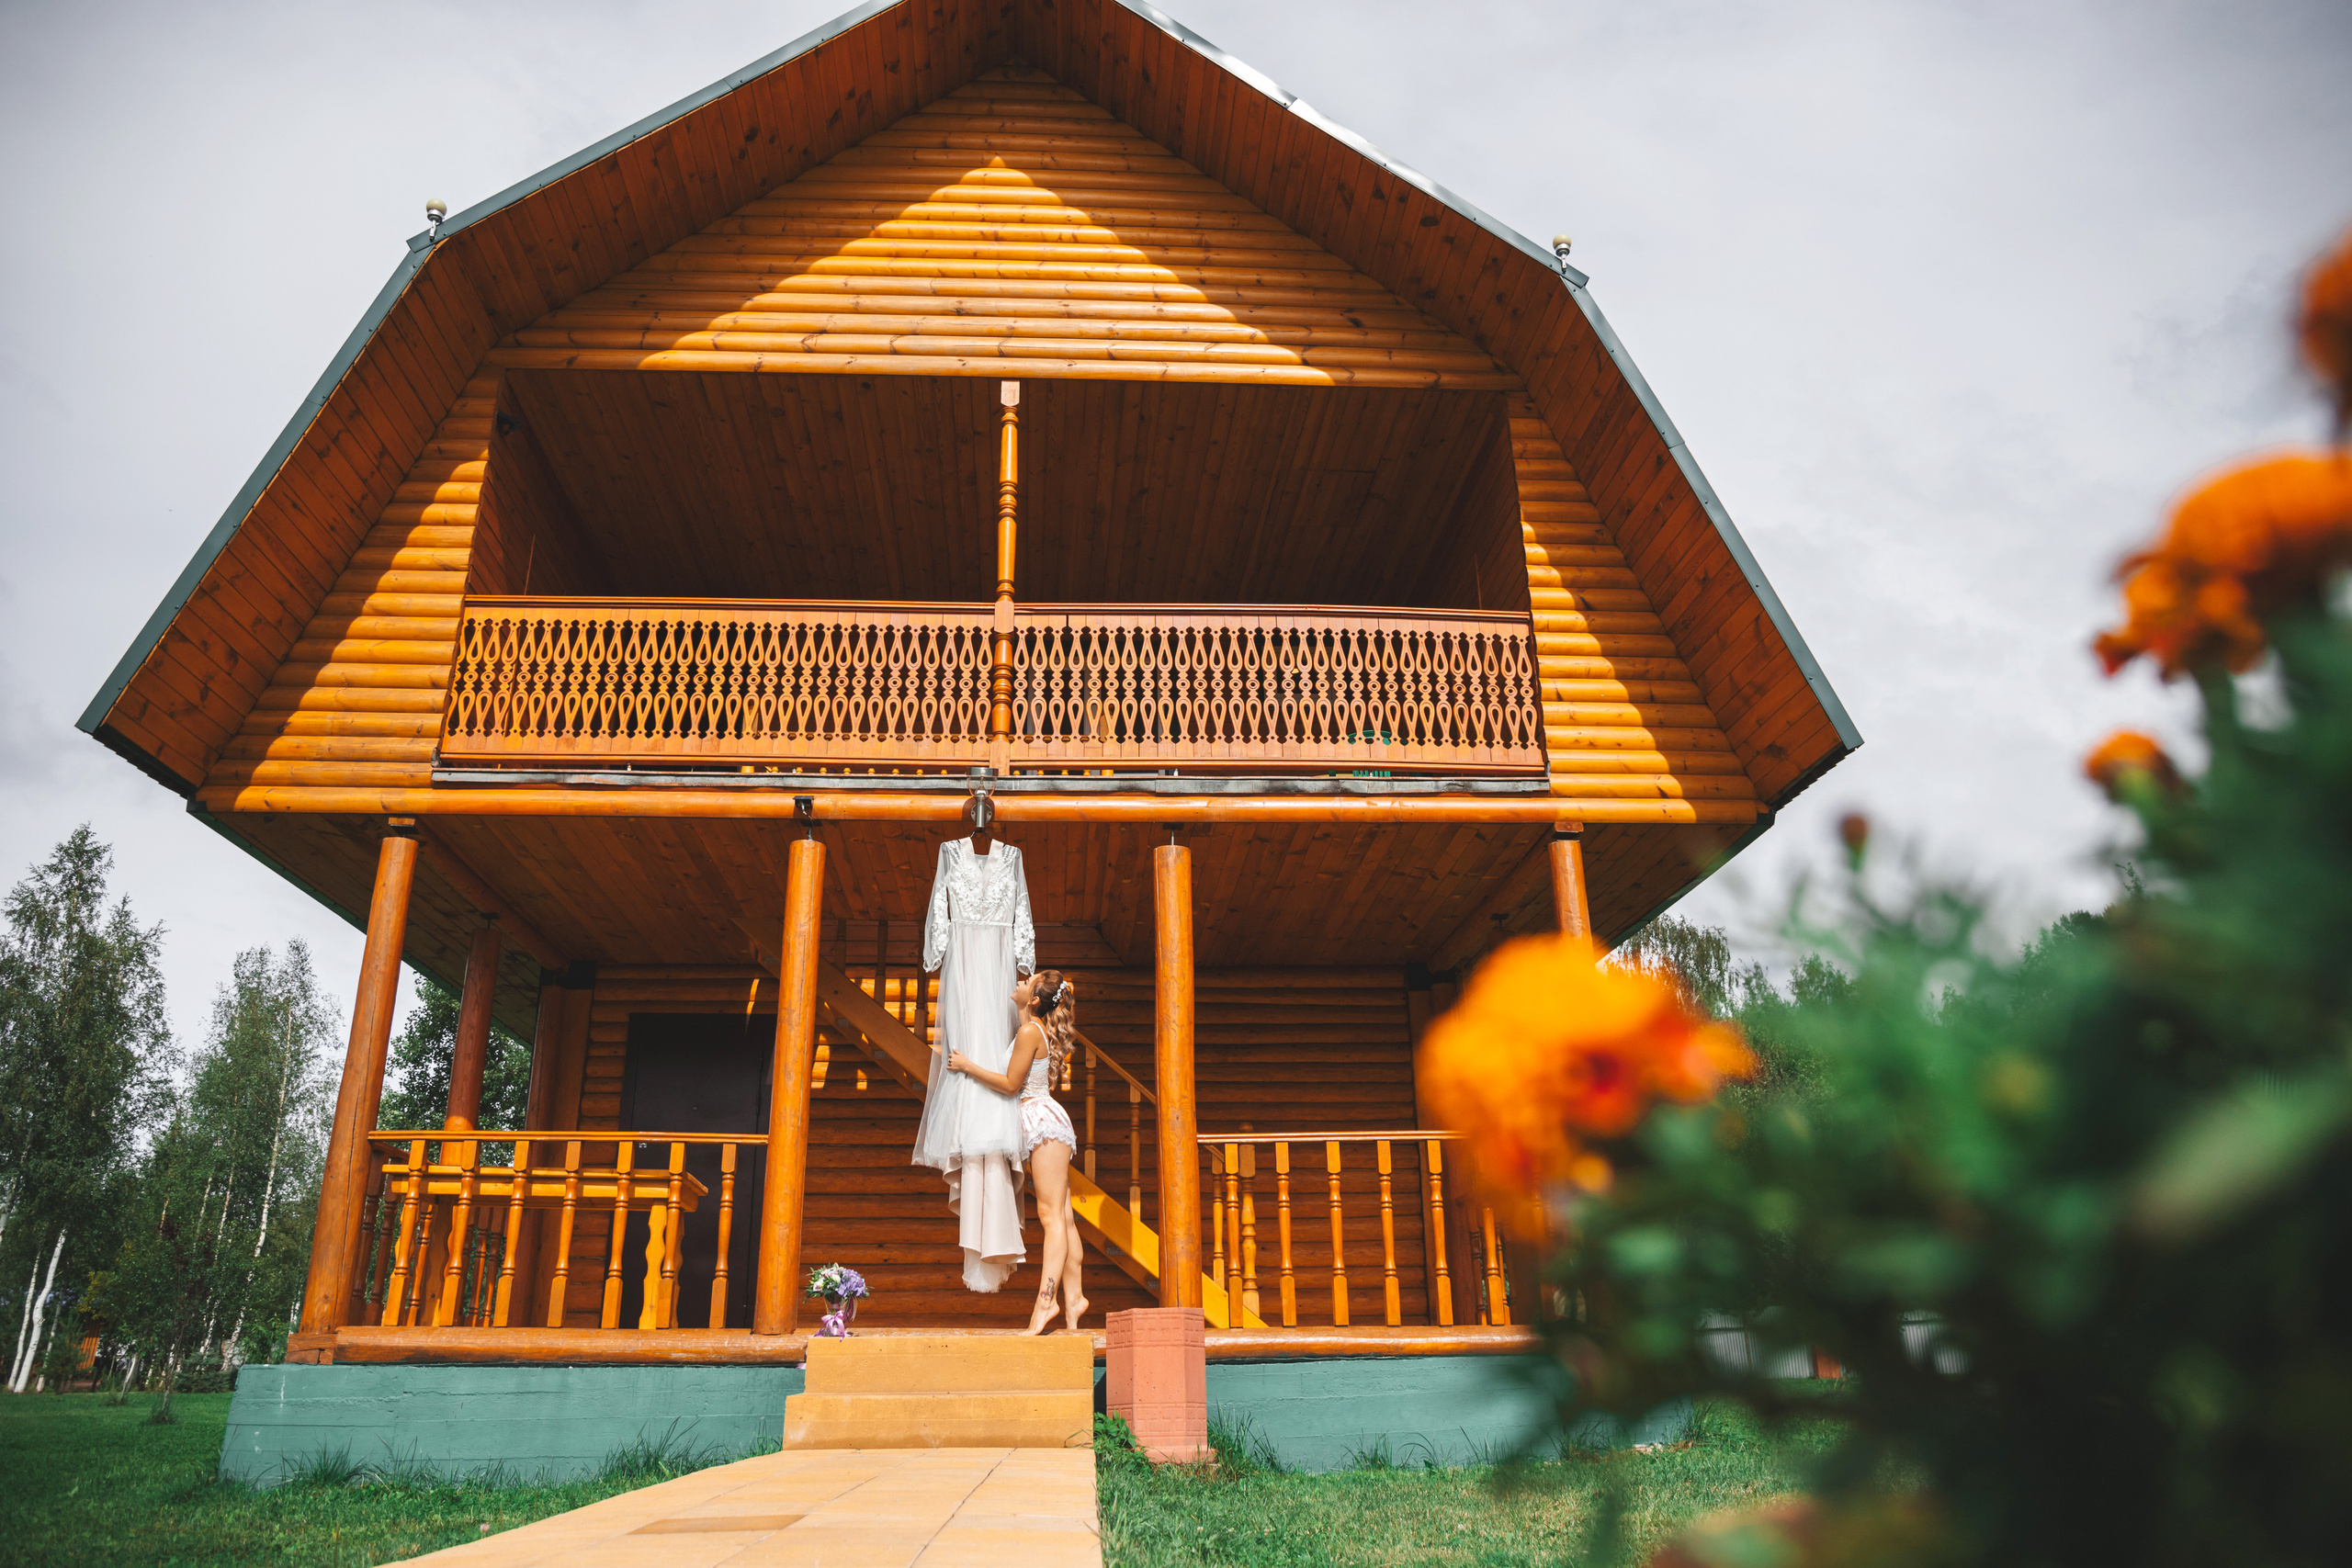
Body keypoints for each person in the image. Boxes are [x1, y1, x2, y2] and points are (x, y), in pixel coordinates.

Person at [910, 797, 1035, 1291]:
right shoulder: (948, 852)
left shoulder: (1012, 857)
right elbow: (939, 915)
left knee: (989, 1049)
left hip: (998, 959)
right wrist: (939, 951)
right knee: (972, 1051)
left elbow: (1021, 916)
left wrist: (1023, 959)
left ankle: (993, 1215)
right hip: (966, 960)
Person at [948, 969, 1089, 1335]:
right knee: (1063, 1216)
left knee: (1051, 1217)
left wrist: (967, 1067)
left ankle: (1047, 1301)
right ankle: (1075, 1298)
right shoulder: (1030, 1028)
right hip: (1042, 1123)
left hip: (1042, 1123)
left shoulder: (1029, 1031)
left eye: (1028, 981)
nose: (1021, 981)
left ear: (1035, 1000)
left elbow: (1012, 1085)